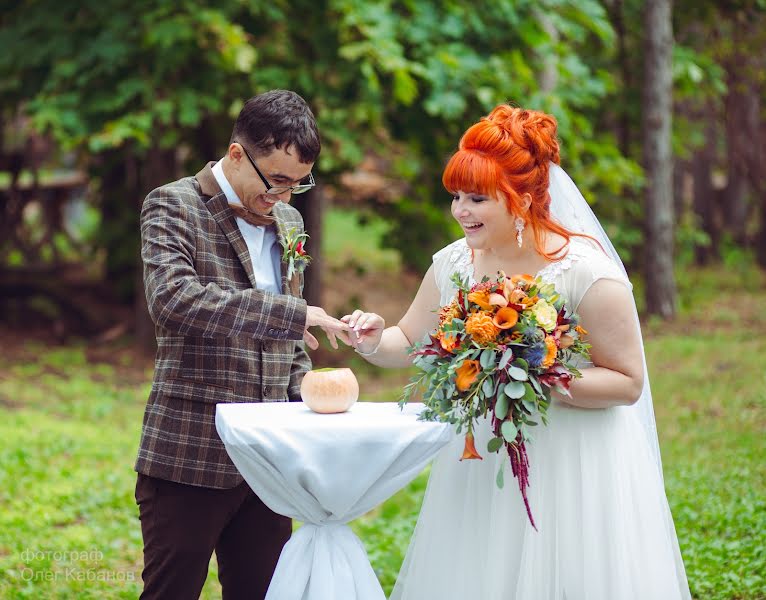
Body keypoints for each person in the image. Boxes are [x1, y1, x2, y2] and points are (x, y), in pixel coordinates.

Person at [345, 105, 691, 599]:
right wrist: (375, 338)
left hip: (573, 459)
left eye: (477, 199)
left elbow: (629, 382)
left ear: (522, 199)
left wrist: (531, 373)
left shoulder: (587, 273)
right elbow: (410, 339)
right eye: (457, 197)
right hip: (485, 458)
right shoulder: (453, 263)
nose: (460, 211)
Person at [134, 89, 350, 600]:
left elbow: (292, 340)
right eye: (277, 180)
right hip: (190, 450)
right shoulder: (172, 203)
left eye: (299, 183)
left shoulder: (290, 222)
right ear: (236, 154)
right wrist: (290, 314)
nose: (286, 196)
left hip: (270, 459)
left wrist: (310, 400)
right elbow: (174, 299)